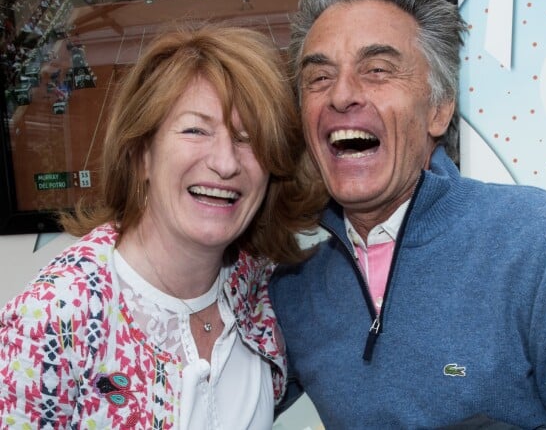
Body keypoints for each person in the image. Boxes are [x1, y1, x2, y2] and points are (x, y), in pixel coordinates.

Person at [270, 0, 546, 429]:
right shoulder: (293, 291)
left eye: (377, 70)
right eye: (318, 78)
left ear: (439, 108)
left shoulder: (544, 243)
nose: (341, 95)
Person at [0, 24, 320, 428]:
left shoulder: (256, 282)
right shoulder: (51, 321)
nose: (225, 162)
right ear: (141, 155)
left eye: (247, 138)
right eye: (196, 130)